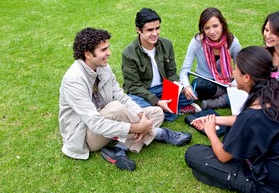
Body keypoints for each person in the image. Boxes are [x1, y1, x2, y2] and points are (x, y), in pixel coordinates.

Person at [185, 46, 279, 193]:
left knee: (193, 153)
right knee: (232, 131)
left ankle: (224, 177)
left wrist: (210, 131)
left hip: (271, 188)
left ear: (246, 77)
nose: (233, 72)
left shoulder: (252, 115)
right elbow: (251, 122)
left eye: (236, 69)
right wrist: (216, 120)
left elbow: (224, 157)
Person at [59, 27, 192, 171]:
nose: (109, 53)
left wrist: (141, 116)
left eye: (107, 48)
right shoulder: (74, 80)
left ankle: (119, 149)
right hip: (86, 135)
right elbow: (95, 123)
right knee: (116, 108)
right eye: (103, 50)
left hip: (109, 121)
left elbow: (121, 96)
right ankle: (158, 133)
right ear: (88, 54)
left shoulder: (103, 68)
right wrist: (137, 127)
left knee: (156, 113)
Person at [122, 8, 201, 122]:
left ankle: (158, 112)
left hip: (164, 89)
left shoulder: (167, 44)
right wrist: (156, 101)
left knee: (191, 94)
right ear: (138, 30)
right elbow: (133, 86)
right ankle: (172, 110)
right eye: (150, 30)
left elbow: (171, 73)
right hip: (143, 92)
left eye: (157, 28)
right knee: (132, 101)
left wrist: (179, 86)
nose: (155, 33)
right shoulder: (129, 53)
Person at [179, 7, 241, 109]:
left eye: (215, 26)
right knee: (195, 86)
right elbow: (184, 70)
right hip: (204, 84)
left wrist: (234, 85)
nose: (212, 31)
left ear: (222, 24)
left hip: (225, 84)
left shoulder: (233, 43)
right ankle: (223, 98)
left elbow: (241, 71)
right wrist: (187, 86)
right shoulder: (197, 42)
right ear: (202, 29)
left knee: (246, 90)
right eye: (207, 28)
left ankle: (214, 102)